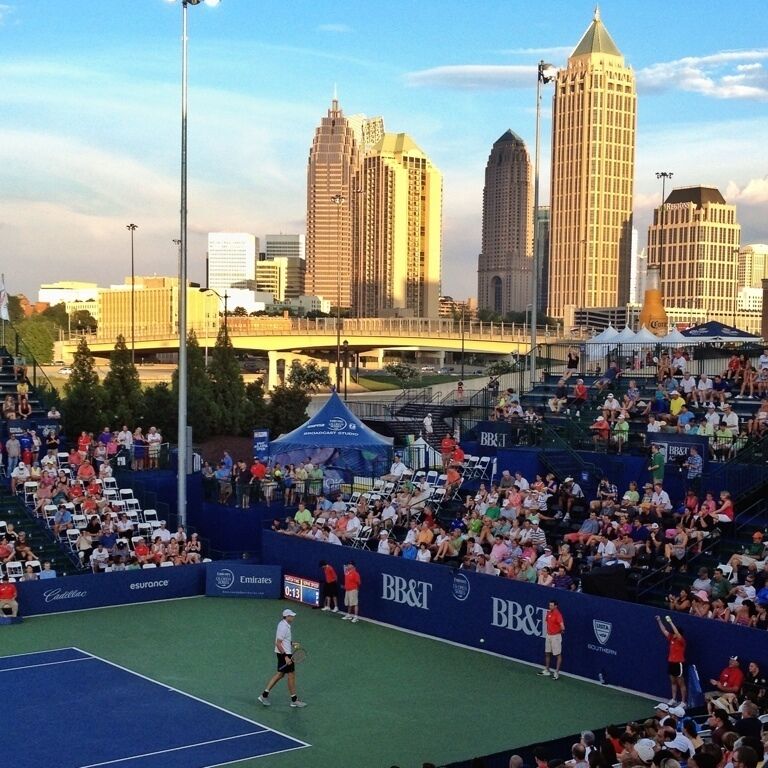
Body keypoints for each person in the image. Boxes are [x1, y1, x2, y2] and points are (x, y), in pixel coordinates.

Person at [258, 608, 307, 708]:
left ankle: (264, 695)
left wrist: (291, 644)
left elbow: (282, 640)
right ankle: (294, 700)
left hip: (283, 652)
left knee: (280, 674)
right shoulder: (284, 627)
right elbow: (278, 643)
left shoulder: (283, 624)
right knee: (291, 675)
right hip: (284, 654)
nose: (293, 617)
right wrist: (286, 657)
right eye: (292, 616)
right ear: (287, 616)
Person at [655, 615, 687, 706]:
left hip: (678, 664)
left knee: (681, 682)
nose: (674, 633)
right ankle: (673, 699)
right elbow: (664, 630)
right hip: (671, 663)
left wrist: (670, 622)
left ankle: (683, 702)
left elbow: (677, 633)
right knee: (673, 682)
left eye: (676, 632)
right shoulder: (671, 638)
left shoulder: (682, 641)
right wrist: (659, 621)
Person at [538, 599, 565, 680]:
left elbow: (563, 627)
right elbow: (548, 623)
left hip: (556, 637)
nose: (550, 606)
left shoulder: (558, 615)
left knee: (558, 655)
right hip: (548, 636)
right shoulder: (549, 612)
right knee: (547, 653)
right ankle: (547, 670)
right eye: (549, 605)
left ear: (556, 606)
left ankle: (556, 672)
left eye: (551, 605)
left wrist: (557, 632)